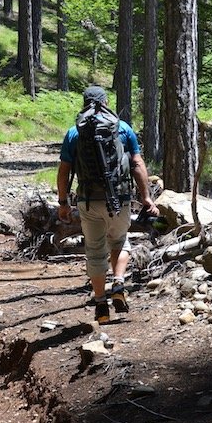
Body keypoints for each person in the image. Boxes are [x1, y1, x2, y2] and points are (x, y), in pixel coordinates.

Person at [57, 85, 158, 325]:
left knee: (94, 251)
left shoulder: (75, 133)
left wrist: (63, 203)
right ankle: (119, 282)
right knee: (120, 241)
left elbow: (64, 172)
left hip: (88, 201)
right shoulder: (122, 129)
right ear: (105, 102)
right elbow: (137, 164)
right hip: (120, 200)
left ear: (85, 103)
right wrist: (146, 197)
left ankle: (101, 303)